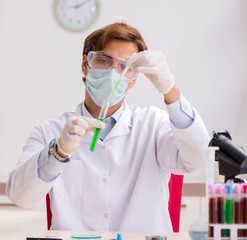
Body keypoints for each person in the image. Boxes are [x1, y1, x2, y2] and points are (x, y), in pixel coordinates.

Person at [6, 22, 210, 232]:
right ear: (85, 64)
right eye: (103, 60)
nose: (114, 73)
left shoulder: (153, 124)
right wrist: (58, 152)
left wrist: (169, 89)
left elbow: (198, 158)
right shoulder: (49, 131)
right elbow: (21, 197)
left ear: (133, 80)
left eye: (125, 66)